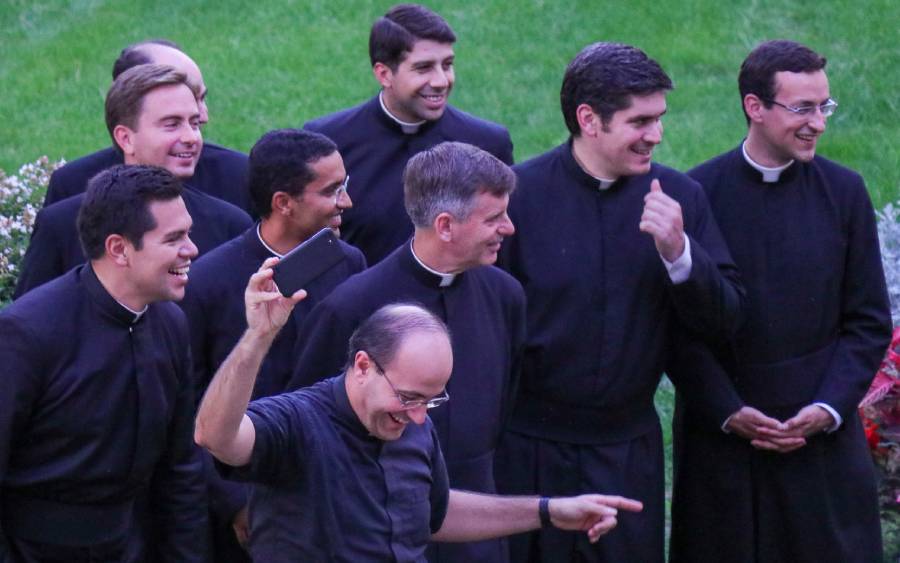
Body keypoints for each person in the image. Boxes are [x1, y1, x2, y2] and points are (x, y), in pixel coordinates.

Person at [494, 42, 744, 563]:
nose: (657, 134)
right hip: (528, 454)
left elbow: (725, 321)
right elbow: (484, 326)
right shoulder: (517, 198)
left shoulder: (679, 199)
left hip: (627, 455)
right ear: (589, 120)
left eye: (659, 118)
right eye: (640, 121)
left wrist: (680, 253)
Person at [195, 278, 644, 562]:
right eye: (408, 397)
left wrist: (549, 511)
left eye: (431, 400)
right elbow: (214, 435)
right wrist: (258, 336)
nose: (416, 416)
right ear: (363, 366)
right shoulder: (296, 422)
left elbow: (434, 513)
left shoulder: (413, 423)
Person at [668, 40, 891, 563]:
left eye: (824, 106)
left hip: (819, 439)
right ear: (755, 107)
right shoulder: (697, 193)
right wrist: (728, 411)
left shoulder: (844, 192)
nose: (819, 123)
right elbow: (675, 328)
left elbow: (868, 321)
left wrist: (827, 408)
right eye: (803, 108)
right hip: (724, 442)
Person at [286, 141, 525, 562]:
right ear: (445, 225)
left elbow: (502, 411)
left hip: (476, 533)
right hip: (373, 528)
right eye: (494, 218)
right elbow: (308, 427)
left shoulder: (505, 296)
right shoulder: (350, 308)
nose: (509, 228)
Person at [0, 165, 206, 562]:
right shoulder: (26, 334)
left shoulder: (169, 323)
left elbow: (180, 471)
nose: (192, 249)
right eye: (174, 238)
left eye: (188, 233)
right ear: (118, 249)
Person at [181, 128, 366, 562]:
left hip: (331, 487)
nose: (346, 201)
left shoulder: (349, 264)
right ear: (283, 203)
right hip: (243, 497)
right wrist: (234, 502)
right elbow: (184, 405)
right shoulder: (207, 282)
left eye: (344, 186)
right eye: (331, 191)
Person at [13, 64, 251, 298]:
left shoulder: (229, 225)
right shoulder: (61, 226)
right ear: (125, 138)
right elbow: (28, 318)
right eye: (172, 125)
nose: (191, 137)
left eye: (194, 123)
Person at [304, 3, 514, 265]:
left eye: (447, 65)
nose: (441, 81)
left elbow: (504, 247)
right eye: (423, 68)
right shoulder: (327, 141)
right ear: (384, 74)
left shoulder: (488, 143)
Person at [44, 39, 252, 213]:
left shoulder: (238, 176)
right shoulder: (71, 185)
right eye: (171, 122)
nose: (204, 116)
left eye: (200, 98)